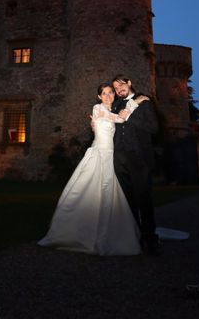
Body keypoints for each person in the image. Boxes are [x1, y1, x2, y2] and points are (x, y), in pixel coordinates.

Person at [38, 83, 148, 255]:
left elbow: (119, 121)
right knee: (89, 191)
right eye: (104, 93)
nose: (108, 95)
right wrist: (136, 101)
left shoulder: (113, 109)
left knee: (109, 194)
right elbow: (119, 119)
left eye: (110, 92)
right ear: (99, 96)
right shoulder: (97, 108)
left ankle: (110, 232)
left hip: (110, 156)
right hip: (99, 154)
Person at [112, 75, 160, 255]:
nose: (118, 90)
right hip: (120, 159)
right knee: (127, 201)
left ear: (129, 83)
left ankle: (150, 238)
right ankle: (135, 236)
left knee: (144, 200)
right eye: (116, 88)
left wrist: (129, 117)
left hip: (139, 158)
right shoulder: (116, 105)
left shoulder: (144, 103)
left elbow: (154, 128)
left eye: (121, 86)